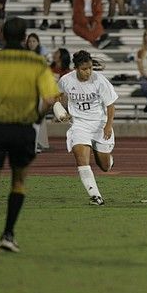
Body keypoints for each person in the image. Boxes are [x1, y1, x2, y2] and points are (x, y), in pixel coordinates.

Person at [0, 17, 59, 254]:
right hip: (23, 130)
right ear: (26, 38)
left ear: (3, 36)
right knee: (18, 183)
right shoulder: (37, 63)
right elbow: (49, 99)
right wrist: (37, 116)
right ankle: (8, 235)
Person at [55, 50, 117, 205]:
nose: (88, 71)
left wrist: (108, 126)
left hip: (99, 124)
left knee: (104, 166)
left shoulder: (100, 81)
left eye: (90, 68)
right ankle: (96, 196)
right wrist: (60, 112)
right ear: (76, 68)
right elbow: (58, 97)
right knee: (81, 158)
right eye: (84, 69)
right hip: (79, 124)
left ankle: (108, 160)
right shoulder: (66, 80)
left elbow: (110, 105)